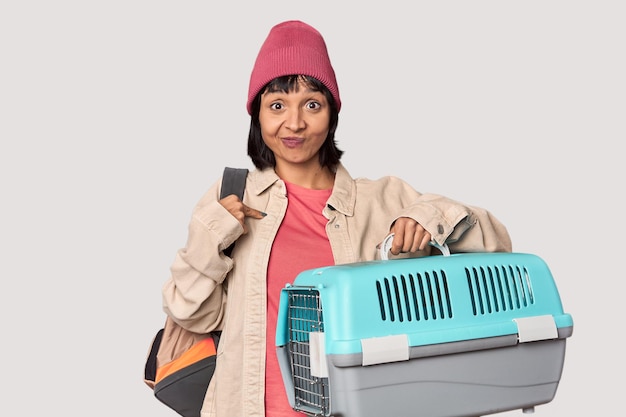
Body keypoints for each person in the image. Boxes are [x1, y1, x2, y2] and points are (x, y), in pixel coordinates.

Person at [161, 20, 512, 417]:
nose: (294, 123)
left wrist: (430, 219)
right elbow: (191, 313)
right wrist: (210, 236)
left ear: (332, 114)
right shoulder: (230, 198)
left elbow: (497, 243)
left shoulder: (382, 199)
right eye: (277, 105)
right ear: (257, 113)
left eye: (312, 104)